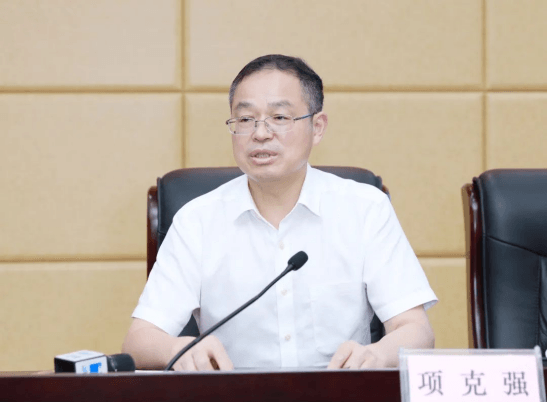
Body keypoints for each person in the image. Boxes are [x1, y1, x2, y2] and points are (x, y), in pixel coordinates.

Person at [122, 54, 437, 371]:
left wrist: (377, 356)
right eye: (246, 119)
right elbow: (139, 341)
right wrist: (179, 349)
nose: (260, 133)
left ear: (317, 127)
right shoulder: (197, 221)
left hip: (339, 393)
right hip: (234, 395)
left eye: (280, 117)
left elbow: (415, 329)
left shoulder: (365, 209)